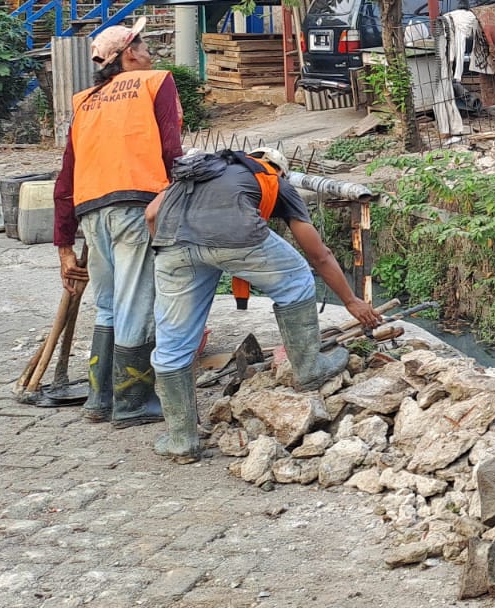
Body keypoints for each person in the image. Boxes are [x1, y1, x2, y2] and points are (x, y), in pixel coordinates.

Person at [145, 147, 381, 463]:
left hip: (170, 242)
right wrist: (351, 301)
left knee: (173, 341)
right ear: (279, 169)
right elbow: (319, 255)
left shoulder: (200, 171)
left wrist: (172, 255)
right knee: (296, 278)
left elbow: (151, 214)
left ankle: (181, 440)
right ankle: (309, 368)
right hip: (236, 237)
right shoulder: (272, 178)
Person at [53, 17, 183, 426]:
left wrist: (64, 244)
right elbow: (171, 150)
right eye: (145, 47)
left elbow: (66, 174)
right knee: (136, 302)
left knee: (108, 303)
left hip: (91, 211)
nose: (150, 54)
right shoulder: (154, 82)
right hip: (137, 206)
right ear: (129, 53)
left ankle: (99, 399)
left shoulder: (84, 101)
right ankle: (132, 402)